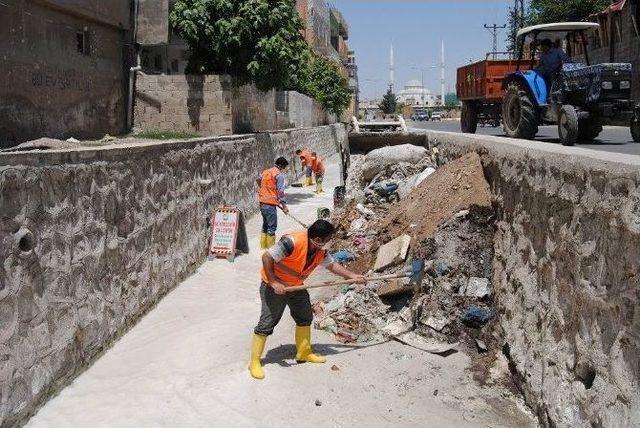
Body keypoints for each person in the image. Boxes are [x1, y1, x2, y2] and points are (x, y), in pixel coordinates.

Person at [248, 220, 366, 379]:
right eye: (328, 239)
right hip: (274, 287)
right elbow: (267, 257)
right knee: (268, 322)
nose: (329, 243)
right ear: (318, 239)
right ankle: (254, 362)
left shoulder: (319, 251)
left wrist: (352, 276)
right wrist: (274, 282)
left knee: (305, 317)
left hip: (296, 287)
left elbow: (332, 266)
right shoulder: (291, 242)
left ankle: (303, 353)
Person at [257, 157, 289, 249]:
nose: (284, 169)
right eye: (284, 167)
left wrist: (264, 190)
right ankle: (271, 250)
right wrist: (284, 206)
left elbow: (258, 180)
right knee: (272, 227)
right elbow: (281, 192)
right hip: (270, 204)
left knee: (265, 225)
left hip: (262, 202)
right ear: (281, 166)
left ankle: (263, 247)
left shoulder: (266, 171)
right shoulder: (279, 175)